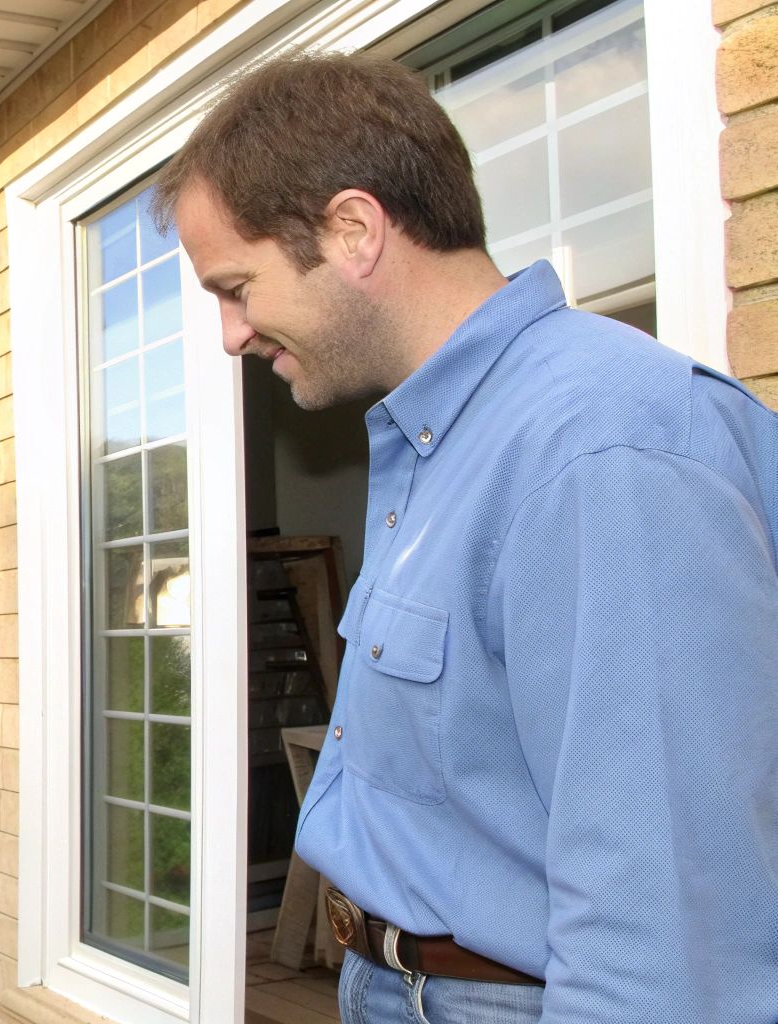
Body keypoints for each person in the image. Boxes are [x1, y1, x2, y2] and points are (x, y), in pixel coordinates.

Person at [153, 52, 778, 1024]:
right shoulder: (434, 444)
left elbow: (666, 934)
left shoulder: (602, 448)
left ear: (352, 228)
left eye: (236, 287)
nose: (231, 333)